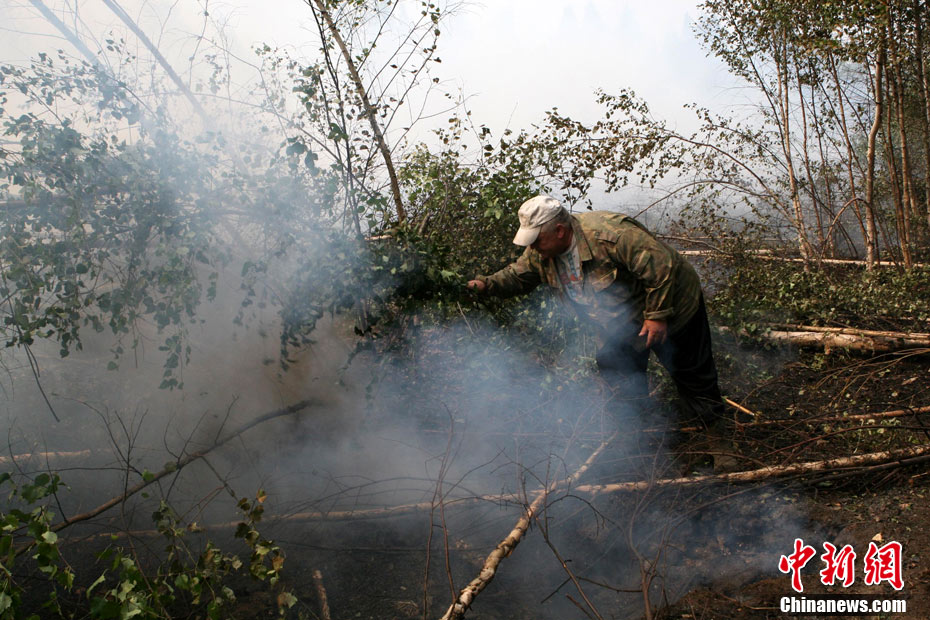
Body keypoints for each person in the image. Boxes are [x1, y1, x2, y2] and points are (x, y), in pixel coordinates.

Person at [467, 195, 726, 430]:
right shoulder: (541, 253)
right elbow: (517, 276)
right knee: (619, 379)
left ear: (559, 230)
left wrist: (657, 315)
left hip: (674, 307)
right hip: (620, 324)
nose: (532, 247)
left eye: (536, 240)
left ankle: (717, 441)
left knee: (691, 375)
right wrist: (484, 285)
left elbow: (661, 266)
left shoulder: (611, 235)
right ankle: (638, 440)